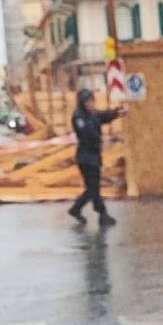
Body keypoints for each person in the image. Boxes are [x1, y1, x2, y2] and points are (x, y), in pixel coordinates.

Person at [67, 89, 127, 226]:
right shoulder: (79, 117)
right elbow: (87, 133)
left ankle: (77, 209)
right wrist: (101, 139)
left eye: (92, 101)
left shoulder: (91, 114)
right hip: (85, 157)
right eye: (88, 102)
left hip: (93, 156)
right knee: (93, 187)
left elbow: (103, 116)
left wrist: (117, 112)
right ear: (82, 103)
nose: (91, 104)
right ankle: (101, 213)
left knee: (92, 187)